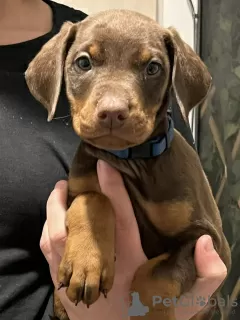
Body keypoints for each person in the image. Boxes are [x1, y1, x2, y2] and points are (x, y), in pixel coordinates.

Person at [0, 0, 227, 319]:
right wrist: (86, 213)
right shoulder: (85, 164)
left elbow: (210, 258)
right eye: (84, 64)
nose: (113, 103)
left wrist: (153, 297)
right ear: (57, 76)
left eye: (151, 68)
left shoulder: (174, 162)